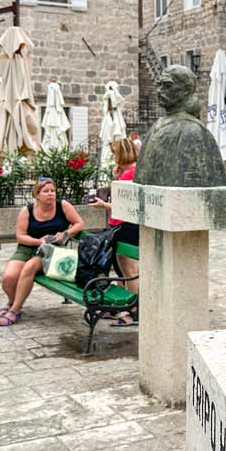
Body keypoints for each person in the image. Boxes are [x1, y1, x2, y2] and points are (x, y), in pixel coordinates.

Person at [0, 178, 84, 326]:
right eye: (45, 191)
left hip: (51, 250)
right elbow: (20, 236)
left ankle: (15, 309)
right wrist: (39, 241)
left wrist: (65, 233)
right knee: (9, 277)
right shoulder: (27, 210)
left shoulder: (63, 205)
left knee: (29, 268)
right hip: (28, 247)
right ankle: (13, 301)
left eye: (52, 191)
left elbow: (80, 224)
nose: (50, 194)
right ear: (37, 195)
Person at [91, 137, 139, 326]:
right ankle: (121, 307)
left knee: (128, 270)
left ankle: (133, 310)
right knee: (121, 270)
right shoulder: (131, 171)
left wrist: (103, 204)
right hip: (124, 224)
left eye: (114, 153)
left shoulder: (130, 174)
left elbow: (124, 205)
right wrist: (116, 176)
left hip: (125, 224)